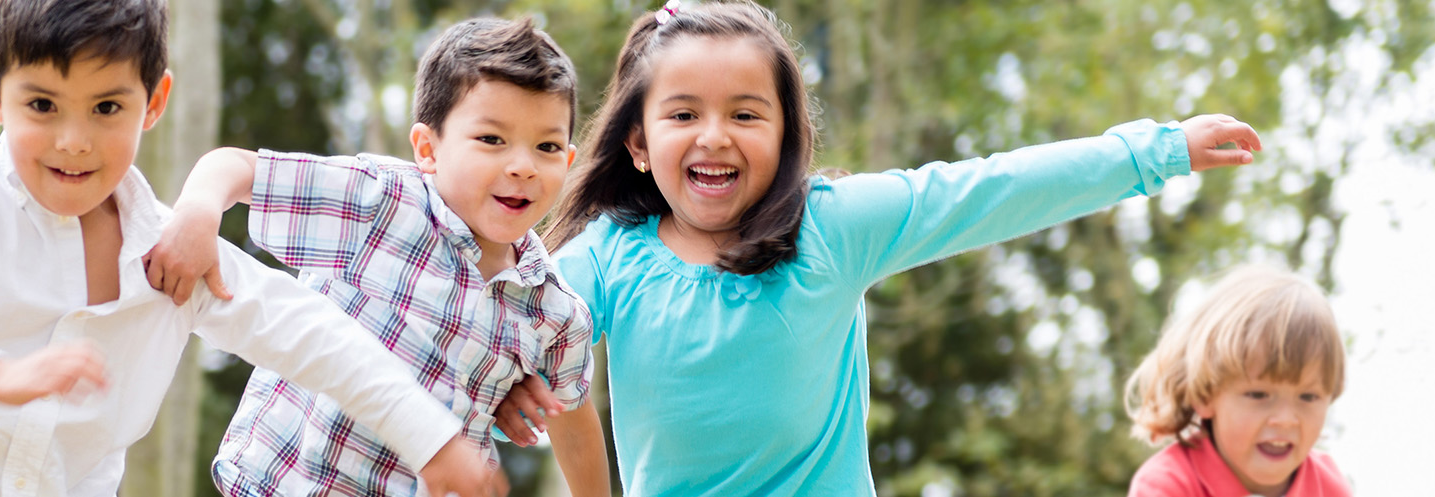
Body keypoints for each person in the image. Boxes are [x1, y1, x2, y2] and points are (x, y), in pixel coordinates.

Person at [495, 1, 1265, 494]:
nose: (715, 135)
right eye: (684, 113)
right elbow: (507, 347)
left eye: (747, 113)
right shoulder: (605, 259)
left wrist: (1157, 151)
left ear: (787, 134)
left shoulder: (830, 227)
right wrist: (511, 395)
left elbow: (989, 189)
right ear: (637, 140)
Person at [0, 1, 489, 495]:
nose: (73, 140)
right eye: (42, 104)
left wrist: (429, 437)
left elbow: (314, 335)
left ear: (153, 103)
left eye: (105, 107)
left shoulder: (173, 253)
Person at [141, 17, 610, 497]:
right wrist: (198, 209)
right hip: (284, 481)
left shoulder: (554, 311)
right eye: (491, 139)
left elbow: (573, 422)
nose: (523, 166)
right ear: (428, 148)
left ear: (568, 162)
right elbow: (236, 167)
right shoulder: (382, 202)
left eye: (547, 147)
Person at [1124, 266, 1350, 496]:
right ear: (1204, 394)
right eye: (1259, 395)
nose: (1285, 420)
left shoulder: (1329, 486)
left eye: (1308, 397)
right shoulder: (1167, 485)